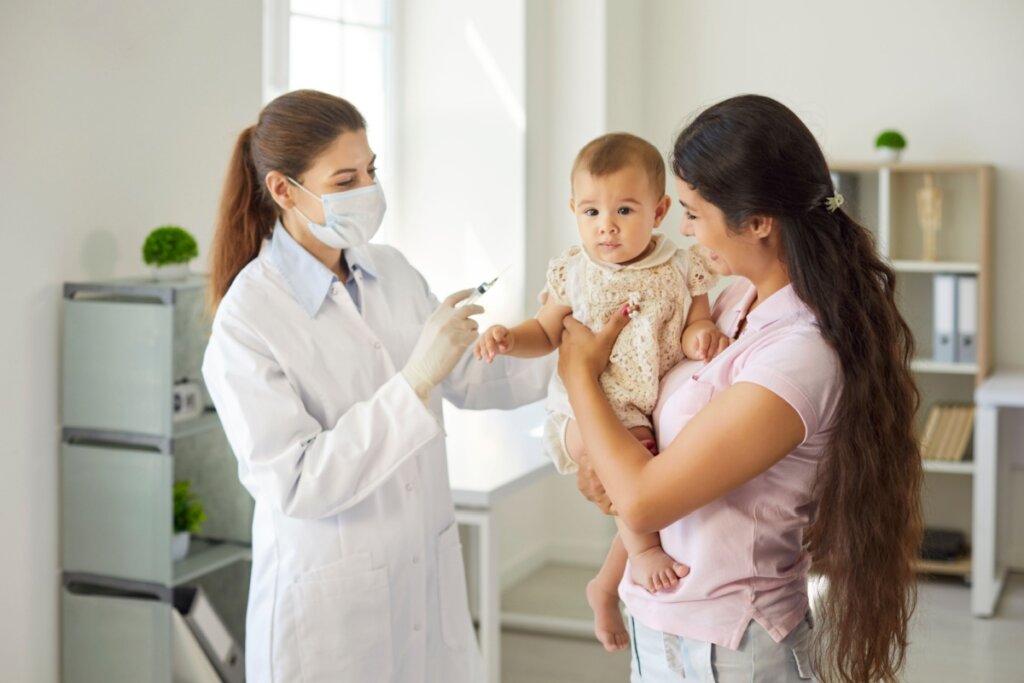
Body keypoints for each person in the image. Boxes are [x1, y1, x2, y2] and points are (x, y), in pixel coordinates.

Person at [557, 95, 922, 683]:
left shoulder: (798, 356)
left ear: (757, 222)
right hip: (661, 627)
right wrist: (611, 576)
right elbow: (671, 472)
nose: (680, 228)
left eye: (695, 213)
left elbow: (646, 497)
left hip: (732, 648)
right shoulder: (730, 307)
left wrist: (578, 377)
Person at [201, 89, 547, 683]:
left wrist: (575, 346)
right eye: (345, 179)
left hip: (424, 587)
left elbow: (469, 377)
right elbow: (298, 483)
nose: (368, 190)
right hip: (331, 624)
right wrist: (415, 379)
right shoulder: (248, 318)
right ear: (284, 190)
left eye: (371, 170)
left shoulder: (390, 270)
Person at [474, 132, 730, 652]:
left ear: (659, 211)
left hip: (642, 411)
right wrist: (508, 337)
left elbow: (695, 320)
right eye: (590, 212)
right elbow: (545, 333)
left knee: (647, 481)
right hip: (581, 410)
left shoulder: (681, 266)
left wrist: (698, 334)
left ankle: (605, 583)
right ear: (573, 211)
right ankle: (640, 557)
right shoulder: (575, 271)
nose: (605, 225)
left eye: (624, 210)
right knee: (633, 463)